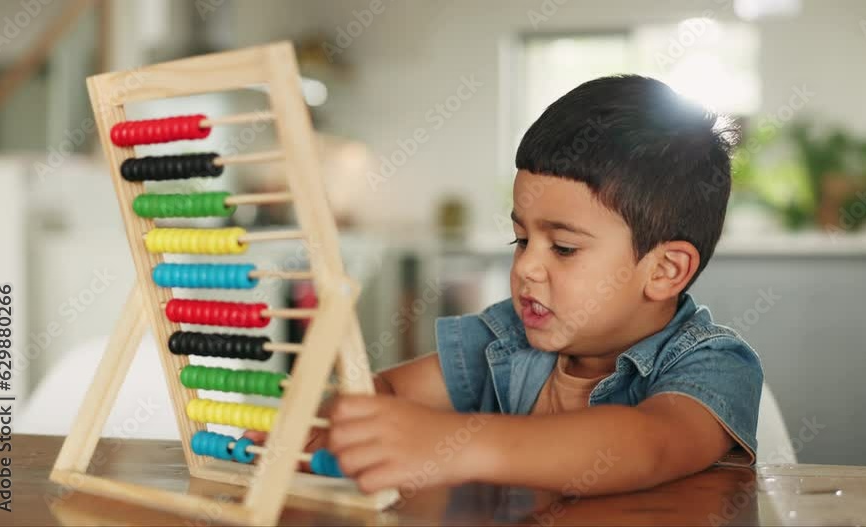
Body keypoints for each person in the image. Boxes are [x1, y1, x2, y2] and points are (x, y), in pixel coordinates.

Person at [251, 74, 762, 497]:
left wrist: (459, 444)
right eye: (520, 239)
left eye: (562, 248)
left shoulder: (713, 363)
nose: (525, 269)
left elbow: (650, 442)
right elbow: (386, 391)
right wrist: (337, 425)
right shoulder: (506, 339)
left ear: (665, 270)